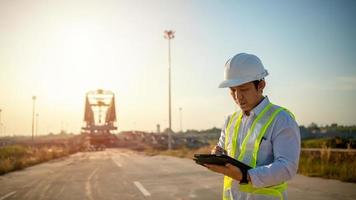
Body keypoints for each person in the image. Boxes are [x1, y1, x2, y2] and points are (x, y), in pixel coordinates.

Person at [205, 53, 300, 200]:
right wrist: (217, 154)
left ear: (261, 85)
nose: (238, 97)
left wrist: (246, 176)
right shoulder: (230, 120)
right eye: (232, 90)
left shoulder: (281, 119)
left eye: (243, 89)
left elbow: (287, 167)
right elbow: (222, 149)